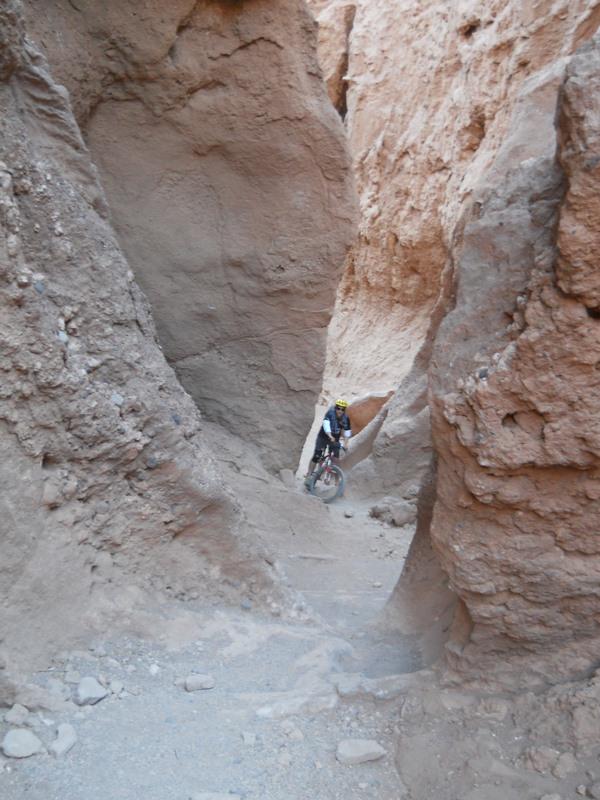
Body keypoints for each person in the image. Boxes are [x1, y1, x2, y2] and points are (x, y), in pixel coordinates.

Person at [305, 398, 352, 483]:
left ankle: (334, 479)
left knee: (336, 458)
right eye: (338, 408)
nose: (340, 411)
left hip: (335, 439)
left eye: (342, 409)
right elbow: (326, 425)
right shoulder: (330, 413)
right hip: (323, 437)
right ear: (335, 408)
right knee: (317, 456)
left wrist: (346, 443)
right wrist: (330, 435)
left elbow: (347, 431)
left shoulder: (346, 418)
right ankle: (309, 474)